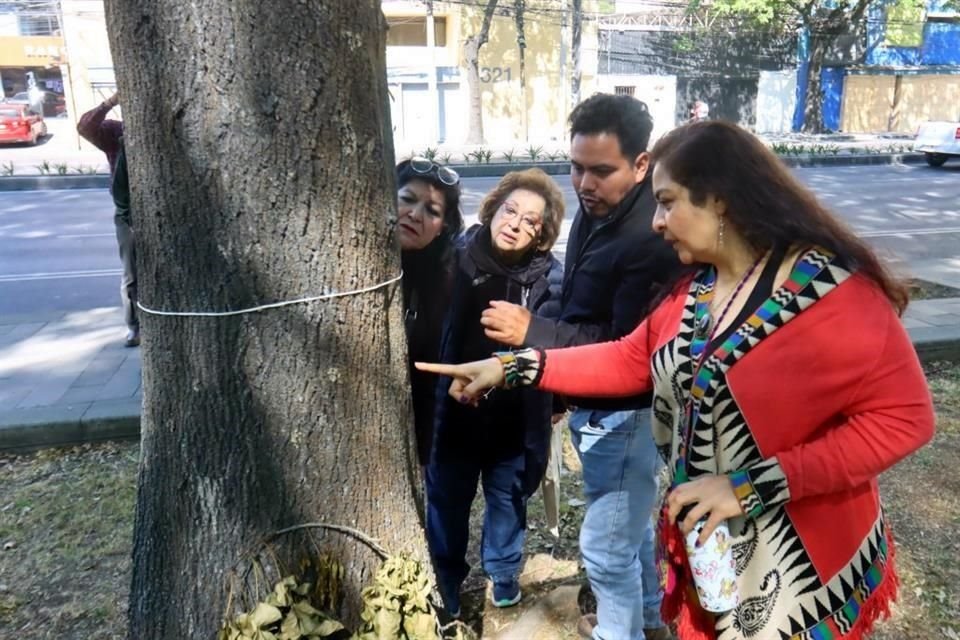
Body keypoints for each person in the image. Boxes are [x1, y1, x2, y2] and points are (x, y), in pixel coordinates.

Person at [417, 120, 936, 640]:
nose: (657, 222)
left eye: (667, 203)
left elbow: (905, 419)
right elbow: (630, 358)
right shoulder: (695, 289)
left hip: (802, 562)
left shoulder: (834, 294)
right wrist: (511, 368)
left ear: (721, 201)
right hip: (716, 548)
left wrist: (751, 487)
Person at [480, 93, 682, 640]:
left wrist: (533, 336)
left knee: (605, 549)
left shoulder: (648, 238)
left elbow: (623, 348)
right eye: (575, 167)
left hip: (625, 414)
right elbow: (582, 308)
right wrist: (560, 383)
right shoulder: (603, 211)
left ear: (641, 165)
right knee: (630, 529)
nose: (584, 183)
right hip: (595, 406)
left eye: (601, 170)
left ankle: (624, 630)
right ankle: (646, 621)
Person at [427, 169, 564, 617]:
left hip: (515, 420)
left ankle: (503, 574)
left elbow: (562, 345)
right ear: (493, 209)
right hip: (455, 412)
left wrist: (557, 404)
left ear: (542, 236)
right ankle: (445, 579)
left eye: (530, 222)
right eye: (510, 211)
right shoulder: (454, 257)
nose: (515, 224)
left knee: (507, 502)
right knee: (447, 500)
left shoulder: (550, 279)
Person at [396, 157, 464, 466]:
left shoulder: (451, 278)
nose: (414, 214)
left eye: (432, 211)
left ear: (443, 226)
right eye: (407, 199)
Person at [77, 92, 139, 347]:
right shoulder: (116, 132)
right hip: (127, 214)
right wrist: (110, 102)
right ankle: (134, 326)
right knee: (131, 274)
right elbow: (85, 127)